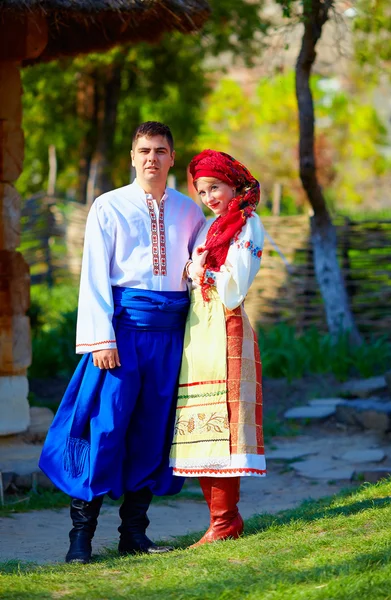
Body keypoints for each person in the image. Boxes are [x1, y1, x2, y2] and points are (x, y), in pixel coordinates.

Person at [39, 121, 205, 563]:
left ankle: (134, 534)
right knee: (106, 428)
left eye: (161, 150)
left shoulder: (190, 212)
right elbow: (94, 275)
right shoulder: (108, 206)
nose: (152, 157)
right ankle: (81, 538)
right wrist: (100, 338)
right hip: (122, 334)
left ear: (172, 158)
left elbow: (200, 275)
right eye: (145, 150)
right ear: (133, 157)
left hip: (171, 338)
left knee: (153, 432)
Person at [169, 149, 266, 547]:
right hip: (198, 328)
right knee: (200, 422)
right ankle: (224, 520)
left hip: (226, 326)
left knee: (224, 423)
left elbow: (235, 285)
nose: (209, 197)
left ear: (233, 184)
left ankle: (224, 522)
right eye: (202, 190)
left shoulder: (247, 224)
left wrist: (199, 270)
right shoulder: (209, 226)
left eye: (216, 187)